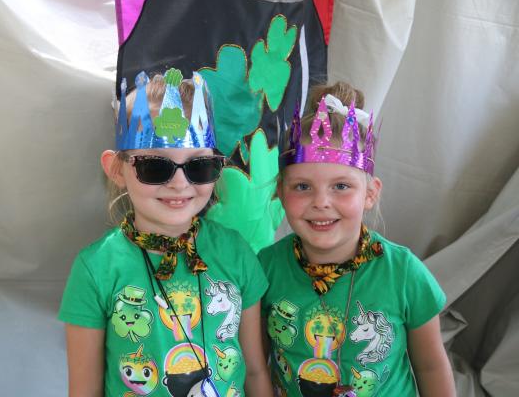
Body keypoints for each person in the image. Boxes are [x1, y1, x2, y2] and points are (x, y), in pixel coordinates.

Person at [59, 68, 272, 397]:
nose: (179, 183)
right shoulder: (95, 269)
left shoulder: (235, 252)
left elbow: (256, 371)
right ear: (116, 169)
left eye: (199, 166)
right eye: (154, 167)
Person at [260, 82, 455, 396]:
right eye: (302, 187)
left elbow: (431, 366)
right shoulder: (266, 268)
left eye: (340, 186)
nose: (321, 202)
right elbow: (257, 364)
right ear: (280, 192)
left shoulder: (403, 272)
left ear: (371, 193)